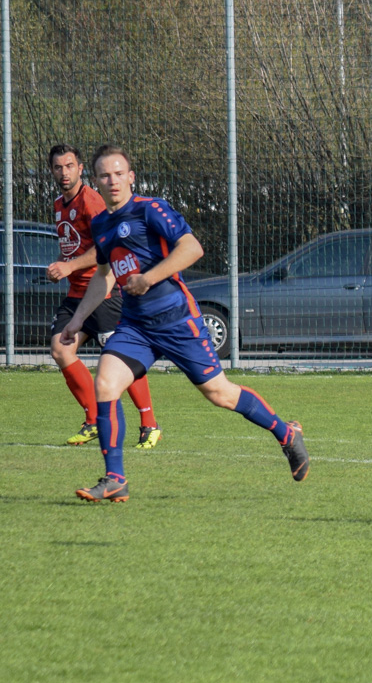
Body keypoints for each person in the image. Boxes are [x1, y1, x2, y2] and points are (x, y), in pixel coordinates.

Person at [58, 145, 309, 502]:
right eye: (105, 175)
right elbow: (104, 275)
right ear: (95, 181)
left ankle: (286, 433)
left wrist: (149, 278)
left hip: (176, 319)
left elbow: (192, 248)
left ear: (131, 177)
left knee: (219, 393)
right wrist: (78, 319)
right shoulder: (101, 224)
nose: (112, 181)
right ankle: (115, 479)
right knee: (106, 383)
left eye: (119, 173)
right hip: (136, 326)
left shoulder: (150, 209)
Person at [45, 144, 161, 448]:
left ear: (81, 169)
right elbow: (75, 245)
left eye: (70, 166)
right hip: (76, 294)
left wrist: (69, 266)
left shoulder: (92, 200)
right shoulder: (59, 204)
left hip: (104, 293)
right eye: (58, 167)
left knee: (122, 358)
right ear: (52, 171)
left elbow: (104, 247)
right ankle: (94, 418)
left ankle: (149, 423)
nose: (64, 172)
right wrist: (62, 266)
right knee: (60, 349)